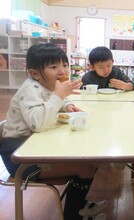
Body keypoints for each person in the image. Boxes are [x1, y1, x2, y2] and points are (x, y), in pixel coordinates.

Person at [0, 43, 105, 219]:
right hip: (20, 157)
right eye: (53, 67)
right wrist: (59, 96)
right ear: (34, 74)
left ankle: (80, 204)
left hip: (34, 146)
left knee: (87, 156)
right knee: (86, 166)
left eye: (64, 65)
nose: (62, 71)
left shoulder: (45, 86)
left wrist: (67, 104)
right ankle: (74, 213)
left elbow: (51, 101)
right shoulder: (30, 89)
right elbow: (38, 123)